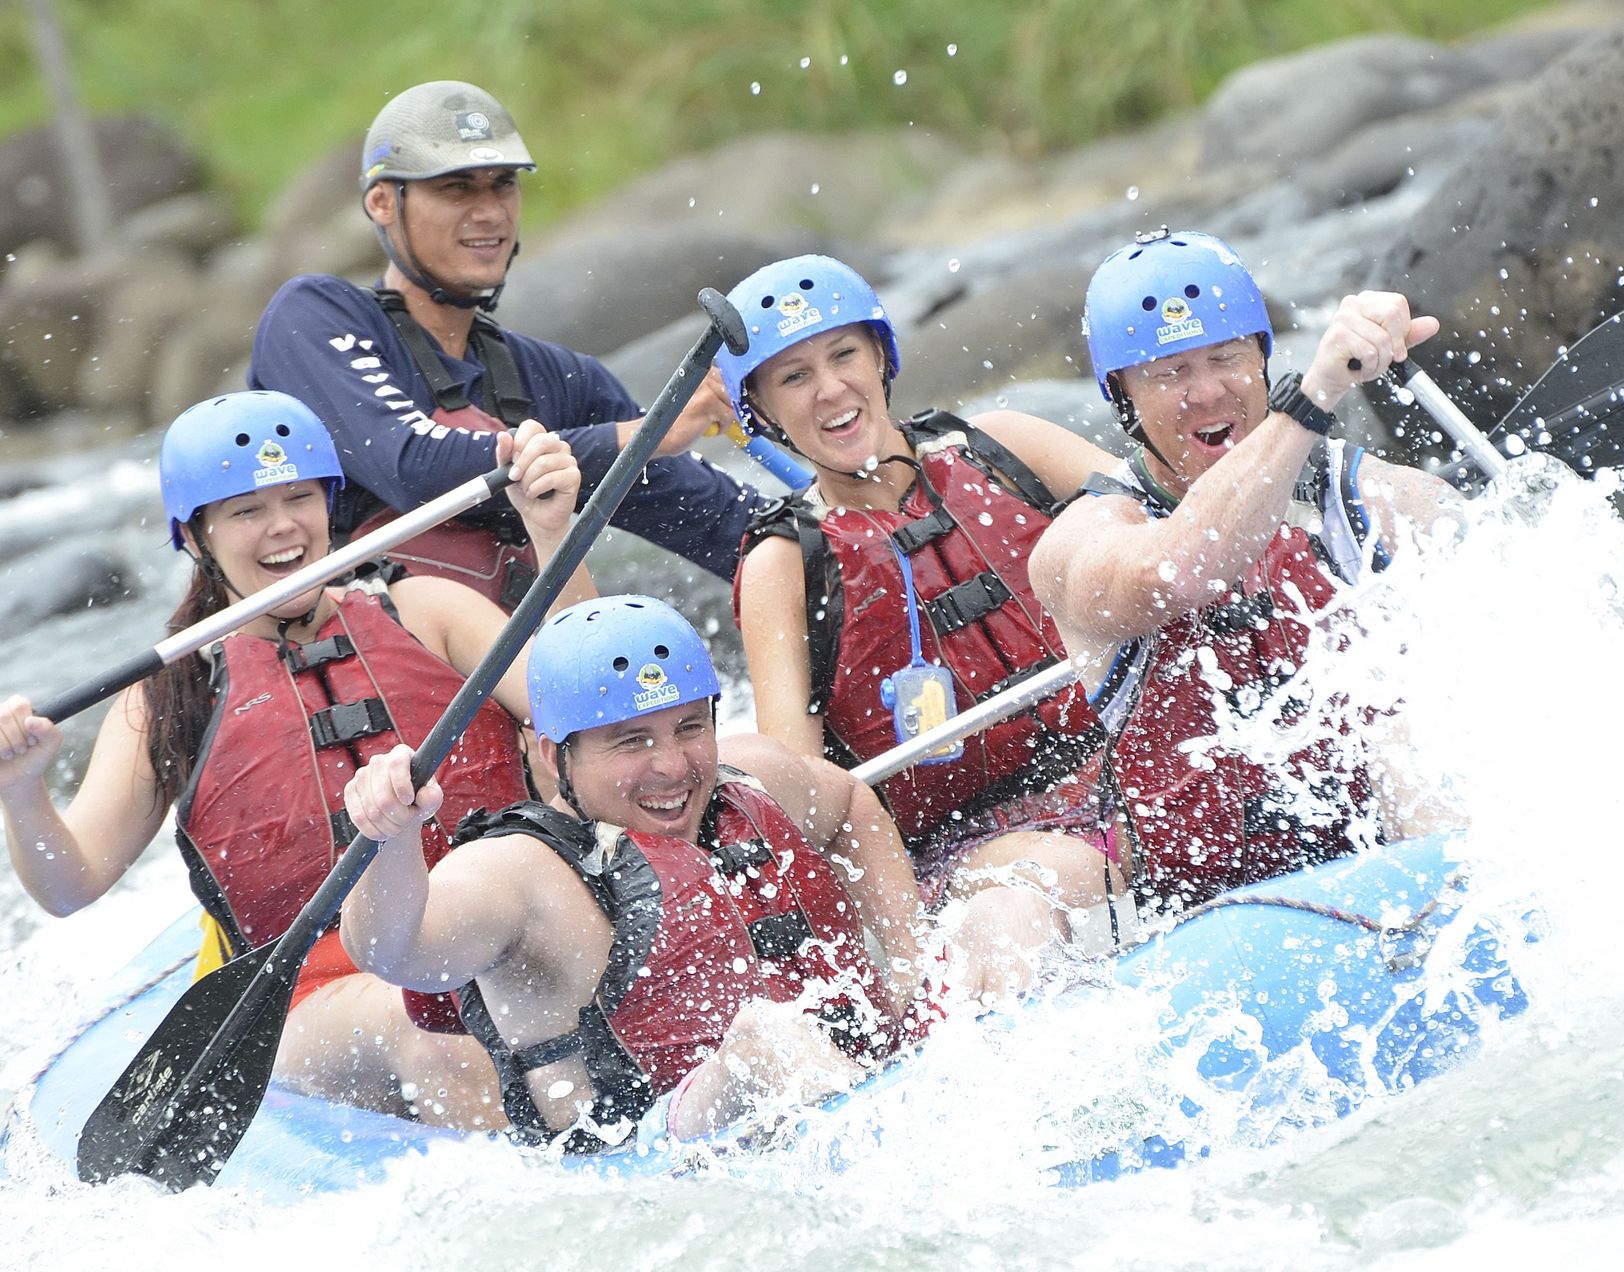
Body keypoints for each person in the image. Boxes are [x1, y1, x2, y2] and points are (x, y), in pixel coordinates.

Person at [0, 389, 587, 1127]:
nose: (282, 528)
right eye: (247, 511)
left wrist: (553, 531)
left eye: (299, 498)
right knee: (438, 1039)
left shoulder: (429, 610)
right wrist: (22, 792)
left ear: (329, 505)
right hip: (317, 993)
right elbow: (69, 883)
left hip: (491, 927)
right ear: (196, 536)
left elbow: (591, 705)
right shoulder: (170, 696)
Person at [338, 595, 930, 1146]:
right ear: (555, 755)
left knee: (1002, 915)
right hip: (652, 1163)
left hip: (856, 1092)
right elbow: (392, 950)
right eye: (632, 742)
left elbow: (849, 803)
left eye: (690, 728)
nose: (672, 766)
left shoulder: (752, 779)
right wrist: (388, 836)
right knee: (766, 1042)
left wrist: (911, 965)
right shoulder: (523, 870)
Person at [1029, 228, 1462, 910]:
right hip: (1215, 918)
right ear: (1122, 396)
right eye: (1171, 372)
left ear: (1260, 356)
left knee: (1410, 740)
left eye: (1226, 358)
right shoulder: (1082, 541)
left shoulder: (1376, 498)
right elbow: (1178, 573)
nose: (1207, 393)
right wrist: (1314, 395)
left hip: (1391, 871)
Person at [722, 256, 1130, 967]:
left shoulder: (1006, 449)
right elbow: (804, 797)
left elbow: (1169, 538)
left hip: (1120, 771)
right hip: (954, 848)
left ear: (881, 356)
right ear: (761, 411)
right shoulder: (783, 564)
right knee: (1069, 873)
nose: (831, 389)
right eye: (794, 377)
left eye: (844, 354)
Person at [249, 80, 760, 608]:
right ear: (382, 202)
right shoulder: (312, 317)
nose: (491, 211)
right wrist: (644, 433)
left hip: (502, 679)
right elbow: (411, 468)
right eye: (457, 188)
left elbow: (724, 527)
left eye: (502, 185)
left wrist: (818, 544)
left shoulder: (563, 380)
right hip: (349, 671)